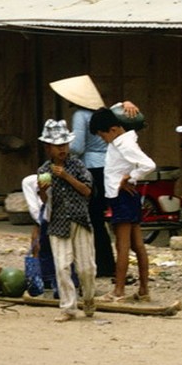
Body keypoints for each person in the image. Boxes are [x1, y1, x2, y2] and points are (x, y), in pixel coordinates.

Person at [49, 75, 140, 278]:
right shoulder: (105, 113)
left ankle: (100, 265)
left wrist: (59, 147)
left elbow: (79, 146)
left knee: (91, 219)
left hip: (91, 169)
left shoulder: (81, 115)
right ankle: (109, 264)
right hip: (108, 166)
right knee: (104, 218)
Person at [90, 106, 157, 302]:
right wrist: (125, 102)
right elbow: (108, 111)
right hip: (125, 198)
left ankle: (118, 290)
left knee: (122, 246)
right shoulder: (122, 139)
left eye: (103, 136)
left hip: (122, 198)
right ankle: (143, 290)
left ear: (112, 129)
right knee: (138, 245)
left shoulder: (125, 145)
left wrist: (131, 176)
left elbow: (148, 165)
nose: (103, 140)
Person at [35, 119, 97, 321]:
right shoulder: (44, 171)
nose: (62, 149)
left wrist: (67, 177)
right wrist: (43, 191)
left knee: (86, 268)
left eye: (64, 145)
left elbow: (87, 191)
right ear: (48, 148)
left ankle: (88, 299)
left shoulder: (77, 165)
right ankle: (68, 308)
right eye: (57, 146)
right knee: (62, 267)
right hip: (58, 223)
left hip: (80, 220)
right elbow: (45, 200)